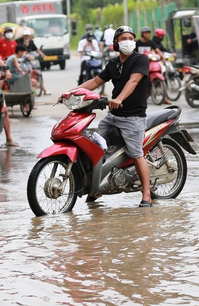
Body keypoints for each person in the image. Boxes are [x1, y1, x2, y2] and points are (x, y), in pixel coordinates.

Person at [71, 25, 153, 207]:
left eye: (131, 38)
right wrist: (72, 92)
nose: (128, 42)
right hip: (113, 115)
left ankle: (146, 194)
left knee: (136, 153)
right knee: (96, 147)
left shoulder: (141, 60)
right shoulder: (114, 64)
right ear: (116, 42)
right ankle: (97, 189)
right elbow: (95, 81)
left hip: (133, 117)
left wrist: (119, 98)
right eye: (123, 39)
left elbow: (134, 81)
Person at [136, 26, 170, 104]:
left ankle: (164, 97)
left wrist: (162, 57)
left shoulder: (151, 42)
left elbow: (157, 49)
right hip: (140, 65)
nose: (147, 35)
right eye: (146, 33)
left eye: (148, 33)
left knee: (162, 74)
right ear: (142, 34)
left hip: (149, 63)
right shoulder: (137, 43)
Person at [17, 29, 48, 94]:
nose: (26, 37)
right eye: (25, 36)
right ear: (23, 36)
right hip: (23, 61)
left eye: (28, 36)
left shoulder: (31, 42)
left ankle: (44, 89)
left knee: (38, 72)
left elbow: (37, 49)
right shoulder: (20, 42)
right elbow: (20, 51)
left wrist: (42, 54)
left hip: (31, 60)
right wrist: (26, 54)